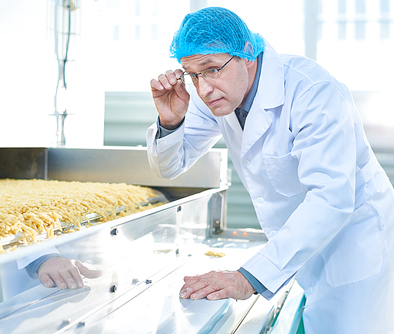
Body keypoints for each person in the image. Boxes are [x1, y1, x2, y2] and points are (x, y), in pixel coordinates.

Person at [146, 7, 394, 334]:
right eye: (192, 75)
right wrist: (171, 120)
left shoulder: (312, 91)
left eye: (211, 69)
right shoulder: (219, 96)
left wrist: (248, 277)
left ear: (246, 54)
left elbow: (331, 198)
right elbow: (170, 166)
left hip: (355, 246)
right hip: (301, 247)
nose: (202, 89)